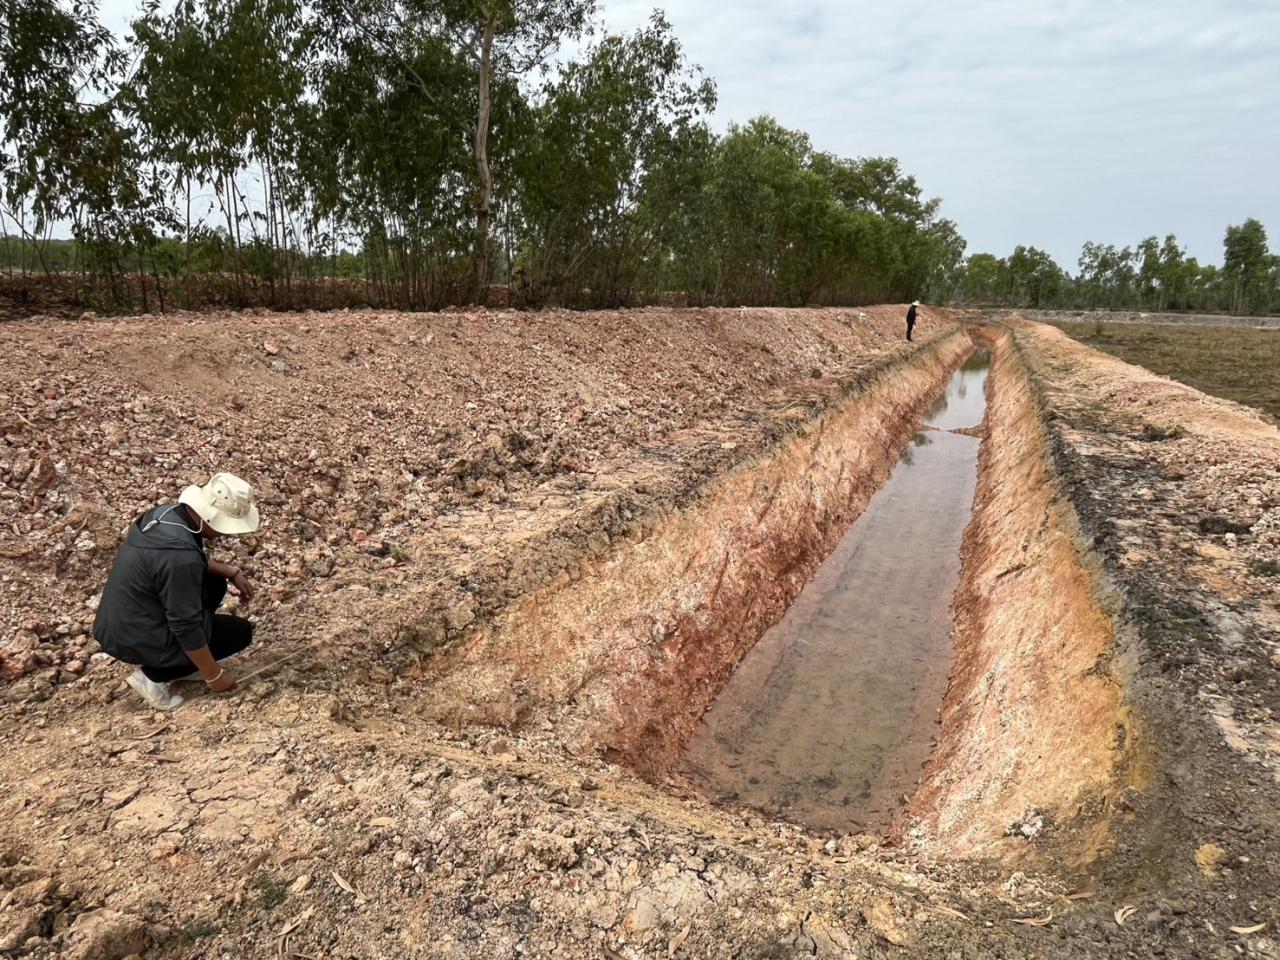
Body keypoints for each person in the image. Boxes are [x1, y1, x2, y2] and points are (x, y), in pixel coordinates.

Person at [93, 472, 261, 710]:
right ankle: (153, 676)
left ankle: (182, 663)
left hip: (121, 621)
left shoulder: (164, 515)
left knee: (214, 582)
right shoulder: (181, 559)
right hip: (132, 637)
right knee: (239, 633)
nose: (225, 534)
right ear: (210, 518)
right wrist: (213, 675)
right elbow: (185, 625)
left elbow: (171, 561)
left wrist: (230, 571)